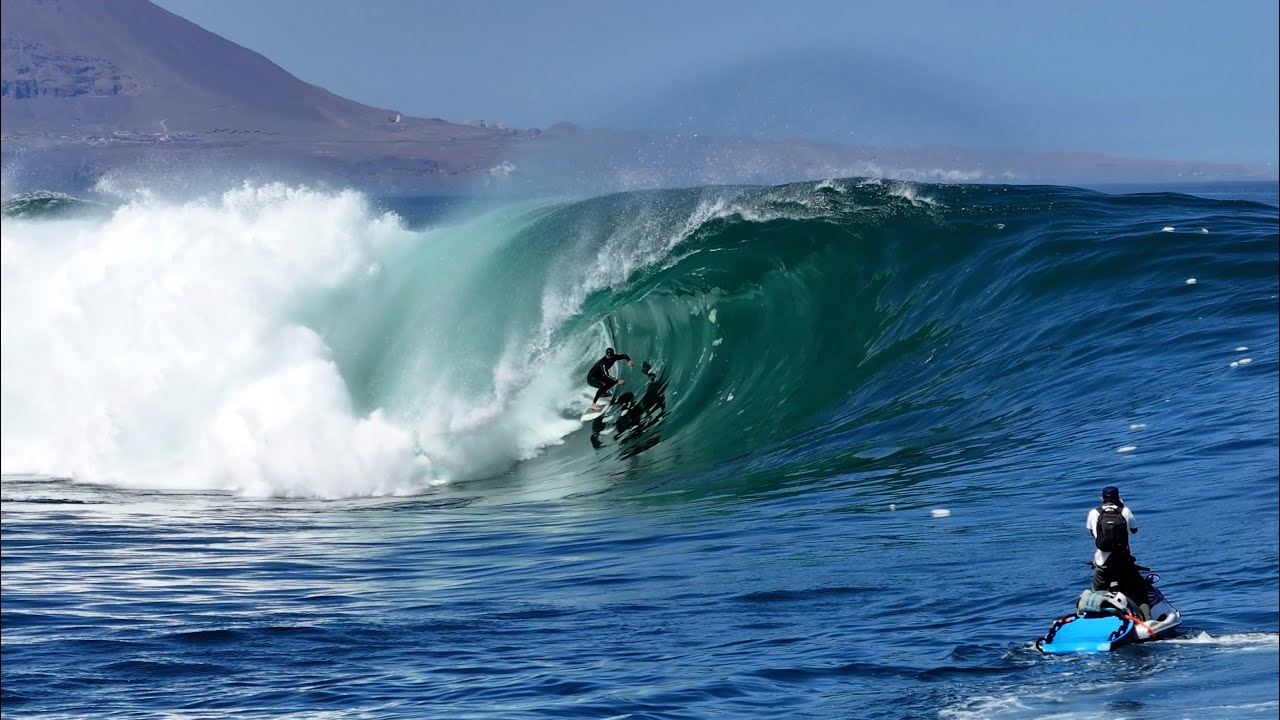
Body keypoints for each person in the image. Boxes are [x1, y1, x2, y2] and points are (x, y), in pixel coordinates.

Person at [1086, 485, 1151, 620]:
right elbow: (1134, 529)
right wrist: (1123, 508)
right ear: (1118, 498)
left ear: (1102, 498)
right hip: (1124, 561)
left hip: (1103, 563)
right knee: (1140, 594)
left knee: (1094, 596)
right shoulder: (1125, 511)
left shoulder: (1094, 513)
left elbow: (1092, 533)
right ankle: (1148, 622)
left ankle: (1091, 620)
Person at [587, 347, 633, 411]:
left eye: (610, 356)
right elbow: (606, 375)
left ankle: (603, 393)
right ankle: (594, 404)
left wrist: (629, 360)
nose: (609, 357)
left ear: (613, 355)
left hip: (599, 376)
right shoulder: (603, 363)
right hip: (591, 378)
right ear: (606, 355)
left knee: (611, 382)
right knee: (603, 385)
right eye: (608, 356)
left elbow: (624, 355)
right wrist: (617, 381)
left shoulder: (614, 357)